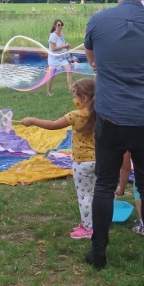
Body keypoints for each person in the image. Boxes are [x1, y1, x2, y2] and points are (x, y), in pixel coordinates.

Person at [83, 0, 144, 272]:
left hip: (111, 117)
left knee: (104, 185)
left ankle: (99, 254)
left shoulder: (97, 21)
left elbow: (92, 61)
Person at [22, 78, 97, 239]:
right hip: (98, 161)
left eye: (76, 97)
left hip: (82, 163)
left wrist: (32, 121)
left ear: (84, 98)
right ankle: (95, 222)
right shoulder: (100, 113)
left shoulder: (76, 115)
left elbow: (54, 125)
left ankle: (88, 228)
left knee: (84, 195)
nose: (75, 101)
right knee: (94, 193)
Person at [45, 19, 73, 96]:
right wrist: (64, 46)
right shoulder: (53, 35)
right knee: (51, 75)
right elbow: (53, 48)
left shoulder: (62, 34)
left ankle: (70, 89)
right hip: (54, 59)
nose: (60, 27)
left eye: (61, 25)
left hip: (62, 58)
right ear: (55, 26)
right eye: (58, 25)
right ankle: (48, 92)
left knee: (69, 71)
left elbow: (62, 45)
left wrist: (67, 46)